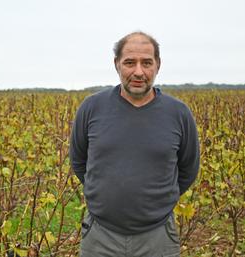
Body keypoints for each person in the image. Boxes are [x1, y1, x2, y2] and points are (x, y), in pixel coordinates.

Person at [69, 31, 200, 257]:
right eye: (130, 62)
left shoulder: (178, 113)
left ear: (157, 65)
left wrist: (156, 204)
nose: (138, 72)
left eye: (146, 63)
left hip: (158, 236)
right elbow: (80, 162)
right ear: (116, 64)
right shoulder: (91, 108)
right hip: (100, 236)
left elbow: (188, 168)